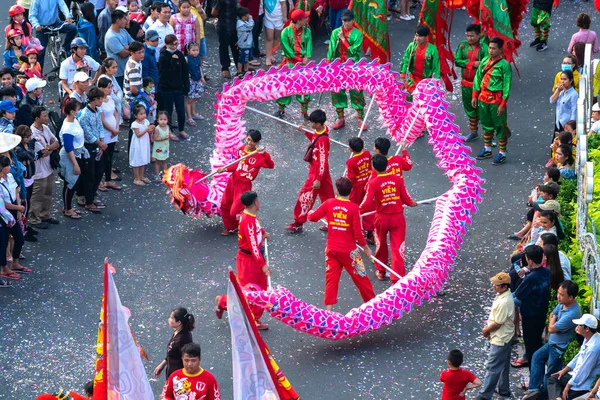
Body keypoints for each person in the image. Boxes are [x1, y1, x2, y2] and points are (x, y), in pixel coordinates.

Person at [307, 177, 376, 311]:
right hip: (350, 252)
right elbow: (357, 233)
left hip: (332, 249)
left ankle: (328, 311)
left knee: (331, 279)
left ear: (337, 190)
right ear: (350, 191)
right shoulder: (354, 208)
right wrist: (366, 248)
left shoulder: (329, 203)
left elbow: (313, 217)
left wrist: (309, 212)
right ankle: (373, 307)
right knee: (362, 280)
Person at [215, 191, 272, 330]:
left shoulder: (249, 216)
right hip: (250, 261)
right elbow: (253, 246)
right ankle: (224, 302)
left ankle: (254, 316)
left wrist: (263, 232)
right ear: (255, 203)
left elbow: (255, 231)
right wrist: (263, 264)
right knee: (251, 291)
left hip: (253, 258)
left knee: (261, 289)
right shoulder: (248, 220)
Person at [359, 154, 417, 282]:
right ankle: (397, 277)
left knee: (381, 245)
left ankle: (381, 271)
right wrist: (413, 203)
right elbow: (406, 199)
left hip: (381, 219)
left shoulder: (373, 182)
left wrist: (356, 211)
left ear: (373, 167)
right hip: (398, 218)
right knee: (397, 247)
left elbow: (366, 202)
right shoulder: (397, 179)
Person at [522, 280, 581, 400]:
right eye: (558, 293)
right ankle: (533, 390)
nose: (558, 296)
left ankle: (542, 397)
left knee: (550, 375)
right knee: (537, 357)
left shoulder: (573, 313)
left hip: (559, 348)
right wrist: (553, 320)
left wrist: (553, 322)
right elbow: (552, 314)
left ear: (570, 297)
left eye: (561, 294)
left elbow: (552, 328)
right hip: (552, 343)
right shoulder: (562, 304)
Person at [285, 109, 334, 233]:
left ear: (318, 124)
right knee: (328, 199)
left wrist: (318, 179)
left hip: (316, 174)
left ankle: (298, 223)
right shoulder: (321, 130)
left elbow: (323, 161)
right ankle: (333, 222)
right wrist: (306, 132)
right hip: (323, 174)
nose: (310, 124)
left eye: (312, 123)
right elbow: (314, 139)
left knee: (305, 197)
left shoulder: (323, 140)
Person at [218, 129, 274, 235]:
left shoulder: (259, 155)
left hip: (244, 186)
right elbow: (237, 165)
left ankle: (251, 223)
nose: (249, 143)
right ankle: (231, 227)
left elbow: (271, 166)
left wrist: (265, 154)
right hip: (233, 180)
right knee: (225, 204)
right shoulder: (242, 149)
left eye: (252, 141)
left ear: (257, 143)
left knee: (235, 210)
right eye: (248, 139)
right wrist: (225, 169)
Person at [472, 37, 512, 165]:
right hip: (483, 99)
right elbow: (477, 78)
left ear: (500, 50)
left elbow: (507, 85)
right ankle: (487, 149)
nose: (490, 51)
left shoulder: (504, 65)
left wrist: (503, 103)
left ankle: (502, 153)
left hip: (496, 100)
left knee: (500, 125)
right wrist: (474, 95)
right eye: (489, 48)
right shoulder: (485, 61)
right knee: (486, 123)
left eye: (494, 48)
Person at [326, 10, 367, 130]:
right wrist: (328, 65)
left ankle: (360, 118)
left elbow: (354, 51)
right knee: (337, 92)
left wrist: (343, 40)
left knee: (356, 92)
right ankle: (340, 118)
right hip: (338, 67)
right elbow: (331, 50)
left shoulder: (358, 34)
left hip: (353, 67)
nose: (346, 23)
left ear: (353, 21)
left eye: (349, 21)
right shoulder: (335, 33)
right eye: (344, 21)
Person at [511, 245, 550, 370]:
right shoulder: (546, 272)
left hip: (530, 315)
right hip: (541, 311)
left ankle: (533, 378)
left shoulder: (531, 278)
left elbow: (517, 296)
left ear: (529, 260)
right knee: (537, 342)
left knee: (531, 345)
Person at [476, 272, 515, 400]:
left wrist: (486, 330)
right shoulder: (502, 296)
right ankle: (503, 390)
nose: (494, 287)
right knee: (503, 365)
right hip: (502, 336)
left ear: (504, 286)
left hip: (500, 337)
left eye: (496, 285)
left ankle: (484, 395)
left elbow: (497, 323)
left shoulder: (504, 302)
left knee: (493, 367)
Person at [547, 314, 600, 400]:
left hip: (584, 382)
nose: (577, 327)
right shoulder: (589, 337)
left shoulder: (594, 348)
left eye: (580, 325)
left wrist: (568, 386)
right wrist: (564, 370)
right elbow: (579, 356)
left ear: (587, 329)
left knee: (563, 394)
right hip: (576, 375)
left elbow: (584, 371)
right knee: (553, 379)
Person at [274, 10, 311, 119]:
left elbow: (309, 47)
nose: (307, 19)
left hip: (304, 65)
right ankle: (281, 110)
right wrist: (299, 59)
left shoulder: (307, 31)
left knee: (304, 88)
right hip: (289, 64)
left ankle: (304, 112)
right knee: (285, 88)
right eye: (304, 18)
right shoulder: (285, 32)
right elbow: (287, 51)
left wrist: (307, 57)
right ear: (299, 20)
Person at [455, 24, 488, 142]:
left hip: (480, 85)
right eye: (467, 36)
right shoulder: (462, 46)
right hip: (466, 84)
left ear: (479, 35)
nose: (469, 38)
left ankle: (489, 134)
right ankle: (474, 132)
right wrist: (473, 64)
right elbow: (457, 61)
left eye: (472, 36)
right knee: (470, 108)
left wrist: (481, 64)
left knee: (483, 109)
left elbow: (488, 64)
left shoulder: (485, 48)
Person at [29, 106, 60, 226]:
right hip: (39, 171)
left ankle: (45, 215)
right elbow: (43, 152)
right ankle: (35, 219)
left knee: (48, 193)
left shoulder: (45, 128)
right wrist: (50, 147)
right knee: (37, 196)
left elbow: (56, 143)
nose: (47, 118)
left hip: (48, 168)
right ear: (37, 118)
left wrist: (49, 147)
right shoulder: (32, 133)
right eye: (44, 116)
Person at [78, 86, 106, 213]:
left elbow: (100, 127)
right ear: (95, 99)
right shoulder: (84, 114)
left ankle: (92, 196)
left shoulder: (97, 111)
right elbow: (87, 133)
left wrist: (101, 142)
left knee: (99, 173)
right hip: (89, 146)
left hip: (98, 145)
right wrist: (99, 142)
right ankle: (88, 201)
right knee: (90, 174)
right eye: (101, 99)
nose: (102, 101)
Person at [157, 34, 189, 140]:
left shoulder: (179, 54)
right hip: (166, 88)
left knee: (180, 110)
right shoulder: (163, 56)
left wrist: (186, 86)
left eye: (176, 44)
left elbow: (185, 71)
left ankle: (181, 129)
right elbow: (165, 73)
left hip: (178, 87)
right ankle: (169, 131)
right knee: (168, 110)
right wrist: (174, 62)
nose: (174, 47)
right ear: (167, 44)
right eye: (172, 45)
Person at [29, 0, 76, 70]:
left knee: (73, 28)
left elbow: (62, 5)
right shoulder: (36, 1)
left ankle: (66, 48)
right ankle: (38, 74)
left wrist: (68, 16)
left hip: (55, 23)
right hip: (42, 27)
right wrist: (36, 25)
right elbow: (32, 16)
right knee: (40, 52)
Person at [58, 100, 86, 220]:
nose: (79, 112)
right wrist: (75, 165)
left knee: (73, 183)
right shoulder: (68, 128)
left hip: (77, 154)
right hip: (70, 157)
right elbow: (69, 148)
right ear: (72, 111)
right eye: (78, 110)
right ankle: (67, 209)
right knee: (70, 183)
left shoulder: (74, 120)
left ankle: (68, 206)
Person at [153, 307, 195, 379]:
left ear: (179, 322)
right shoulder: (177, 332)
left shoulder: (182, 339)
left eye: (171, 318)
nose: (169, 319)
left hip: (178, 378)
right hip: (172, 374)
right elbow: (172, 353)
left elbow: (187, 360)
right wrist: (162, 365)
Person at [399, 25, 441, 93]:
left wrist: (435, 84)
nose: (417, 38)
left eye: (420, 36)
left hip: (426, 83)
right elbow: (405, 61)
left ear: (426, 37)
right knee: (409, 101)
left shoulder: (433, 49)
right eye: (416, 35)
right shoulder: (411, 46)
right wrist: (402, 78)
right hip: (412, 81)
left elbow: (436, 67)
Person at [97, 77, 121, 191]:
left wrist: (116, 127)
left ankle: (107, 180)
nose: (110, 90)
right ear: (101, 88)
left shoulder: (110, 99)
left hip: (113, 132)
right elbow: (102, 120)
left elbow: (115, 113)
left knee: (110, 157)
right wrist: (112, 129)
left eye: (111, 87)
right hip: (106, 133)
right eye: (108, 88)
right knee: (102, 158)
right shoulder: (100, 102)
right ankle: (99, 181)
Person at [104, 9, 135, 89]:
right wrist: (130, 49)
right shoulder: (111, 36)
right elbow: (123, 54)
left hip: (127, 70)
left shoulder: (123, 31)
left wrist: (127, 47)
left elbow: (134, 44)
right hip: (118, 74)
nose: (127, 20)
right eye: (124, 18)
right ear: (118, 21)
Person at [212, 0, 240, 78]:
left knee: (236, 48)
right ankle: (225, 67)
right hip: (224, 27)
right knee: (224, 47)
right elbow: (214, 12)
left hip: (235, 27)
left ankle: (240, 68)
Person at [130, 104, 154, 186]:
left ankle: (142, 176)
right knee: (137, 160)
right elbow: (138, 135)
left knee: (143, 158)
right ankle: (136, 178)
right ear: (135, 115)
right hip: (137, 143)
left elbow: (149, 132)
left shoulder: (146, 121)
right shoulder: (135, 124)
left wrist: (151, 129)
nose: (143, 115)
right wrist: (146, 129)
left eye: (144, 113)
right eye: (141, 114)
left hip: (144, 142)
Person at [550, 70, 578, 135]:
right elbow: (551, 101)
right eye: (561, 79)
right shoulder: (561, 91)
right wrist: (558, 91)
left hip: (566, 124)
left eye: (565, 79)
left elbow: (574, 111)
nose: (562, 81)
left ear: (571, 81)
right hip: (558, 122)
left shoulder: (574, 94)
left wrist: (570, 127)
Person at [99, 58, 124, 125]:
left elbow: (120, 90)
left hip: (117, 105)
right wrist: (118, 98)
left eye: (116, 67)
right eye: (113, 67)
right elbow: (111, 95)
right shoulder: (103, 79)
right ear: (106, 68)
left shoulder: (112, 77)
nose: (115, 69)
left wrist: (118, 97)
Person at [185, 42, 204, 123]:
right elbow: (182, 69)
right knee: (189, 99)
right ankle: (189, 117)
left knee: (194, 98)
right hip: (191, 81)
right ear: (188, 50)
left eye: (197, 50)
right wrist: (187, 74)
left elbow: (199, 68)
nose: (195, 52)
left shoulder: (198, 58)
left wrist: (202, 77)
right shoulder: (186, 59)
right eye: (193, 50)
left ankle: (193, 113)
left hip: (197, 80)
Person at [263, 0, 286, 68]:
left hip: (278, 18)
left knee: (276, 37)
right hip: (268, 18)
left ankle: (272, 54)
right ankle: (268, 57)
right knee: (269, 37)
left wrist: (284, 17)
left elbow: (283, 4)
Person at [123, 41, 144, 105]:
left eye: (143, 51)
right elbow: (133, 89)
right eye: (139, 53)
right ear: (132, 53)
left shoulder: (137, 62)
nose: (142, 54)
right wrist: (144, 96)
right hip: (134, 101)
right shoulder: (133, 69)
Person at [189, 0, 208, 69]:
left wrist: (200, 10)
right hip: (193, 36)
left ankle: (199, 70)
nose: (196, 1)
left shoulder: (199, 7)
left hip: (201, 35)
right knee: (193, 54)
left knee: (202, 53)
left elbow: (205, 17)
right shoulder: (188, 8)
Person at [152, 111, 171, 180]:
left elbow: (169, 132)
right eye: (161, 119)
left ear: (167, 120)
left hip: (165, 147)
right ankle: (156, 174)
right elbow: (155, 138)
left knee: (165, 161)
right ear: (158, 120)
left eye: (165, 119)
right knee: (158, 162)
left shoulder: (167, 127)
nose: (163, 121)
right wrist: (163, 138)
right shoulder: (157, 129)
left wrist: (171, 135)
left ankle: (165, 173)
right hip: (159, 148)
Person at [236, 7, 254, 76]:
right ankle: (239, 71)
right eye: (247, 15)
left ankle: (246, 70)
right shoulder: (241, 24)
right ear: (243, 17)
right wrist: (251, 19)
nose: (248, 17)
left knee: (246, 58)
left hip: (247, 44)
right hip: (244, 45)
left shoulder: (244, 22)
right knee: (241, 59)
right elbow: (250, 26)